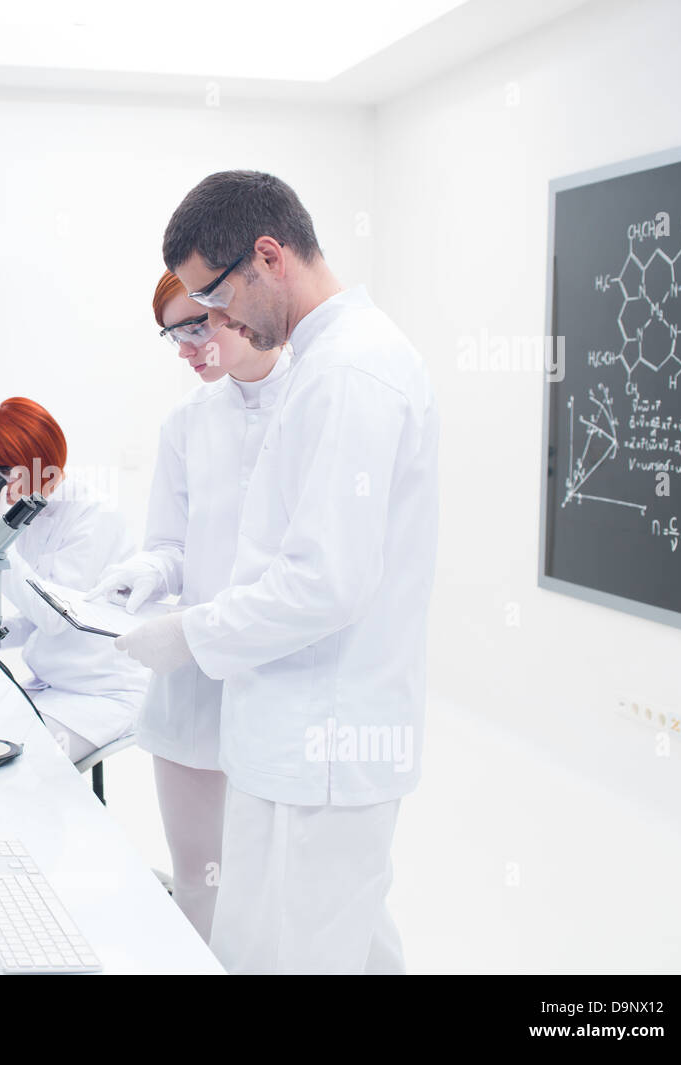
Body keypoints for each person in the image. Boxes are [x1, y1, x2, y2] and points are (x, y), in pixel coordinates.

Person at [115, 170, 439, 974]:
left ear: (269, 255)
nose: (216, 325)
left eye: (216, 302)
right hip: (292, 740)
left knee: (285, 954)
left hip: (316, 747)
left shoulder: (347, 373)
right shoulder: (331, 362)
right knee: (349, 947)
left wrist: (188, 633)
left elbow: (325, 582)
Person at [85, 270, 288, 943]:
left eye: (195, 326)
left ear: (233, 303)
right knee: (199, 878)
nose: (185, 347)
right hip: (192, 682)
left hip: (280, 679)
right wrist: (142, 572)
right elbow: (173, 543)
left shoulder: (311, 405)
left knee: (281, 888)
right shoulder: (186, 423)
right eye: (171, 334)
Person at [0, 397, 149, 764]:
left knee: (11, 764)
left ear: (28, 464)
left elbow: (53, 616)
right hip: (51, 684)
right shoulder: (31, 510)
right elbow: (33, 616)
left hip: (98, 694)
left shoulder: (95, 516)